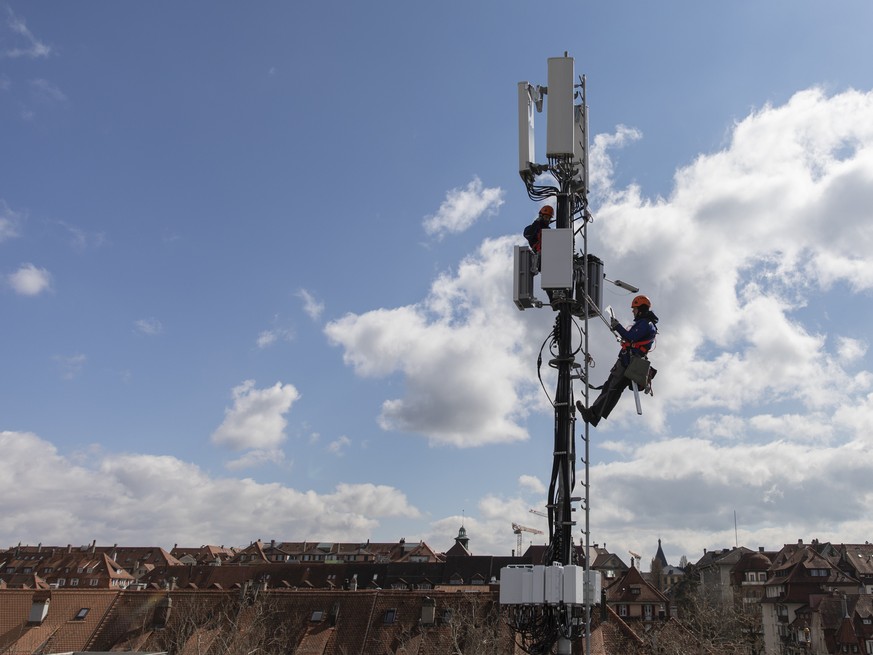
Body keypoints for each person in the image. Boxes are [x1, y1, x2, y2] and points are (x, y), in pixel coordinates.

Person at [576, 294, 659, 427]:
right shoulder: (646, 324)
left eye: (635, 309)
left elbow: (630, 336)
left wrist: (617, 326)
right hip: (631, 361)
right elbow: (632, 339)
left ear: (641, 309)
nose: (633, 311)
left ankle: (593, 414)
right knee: (613, 389)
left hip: (629, 362)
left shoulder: (646, 324)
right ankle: (594, 414)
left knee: (612, 387)